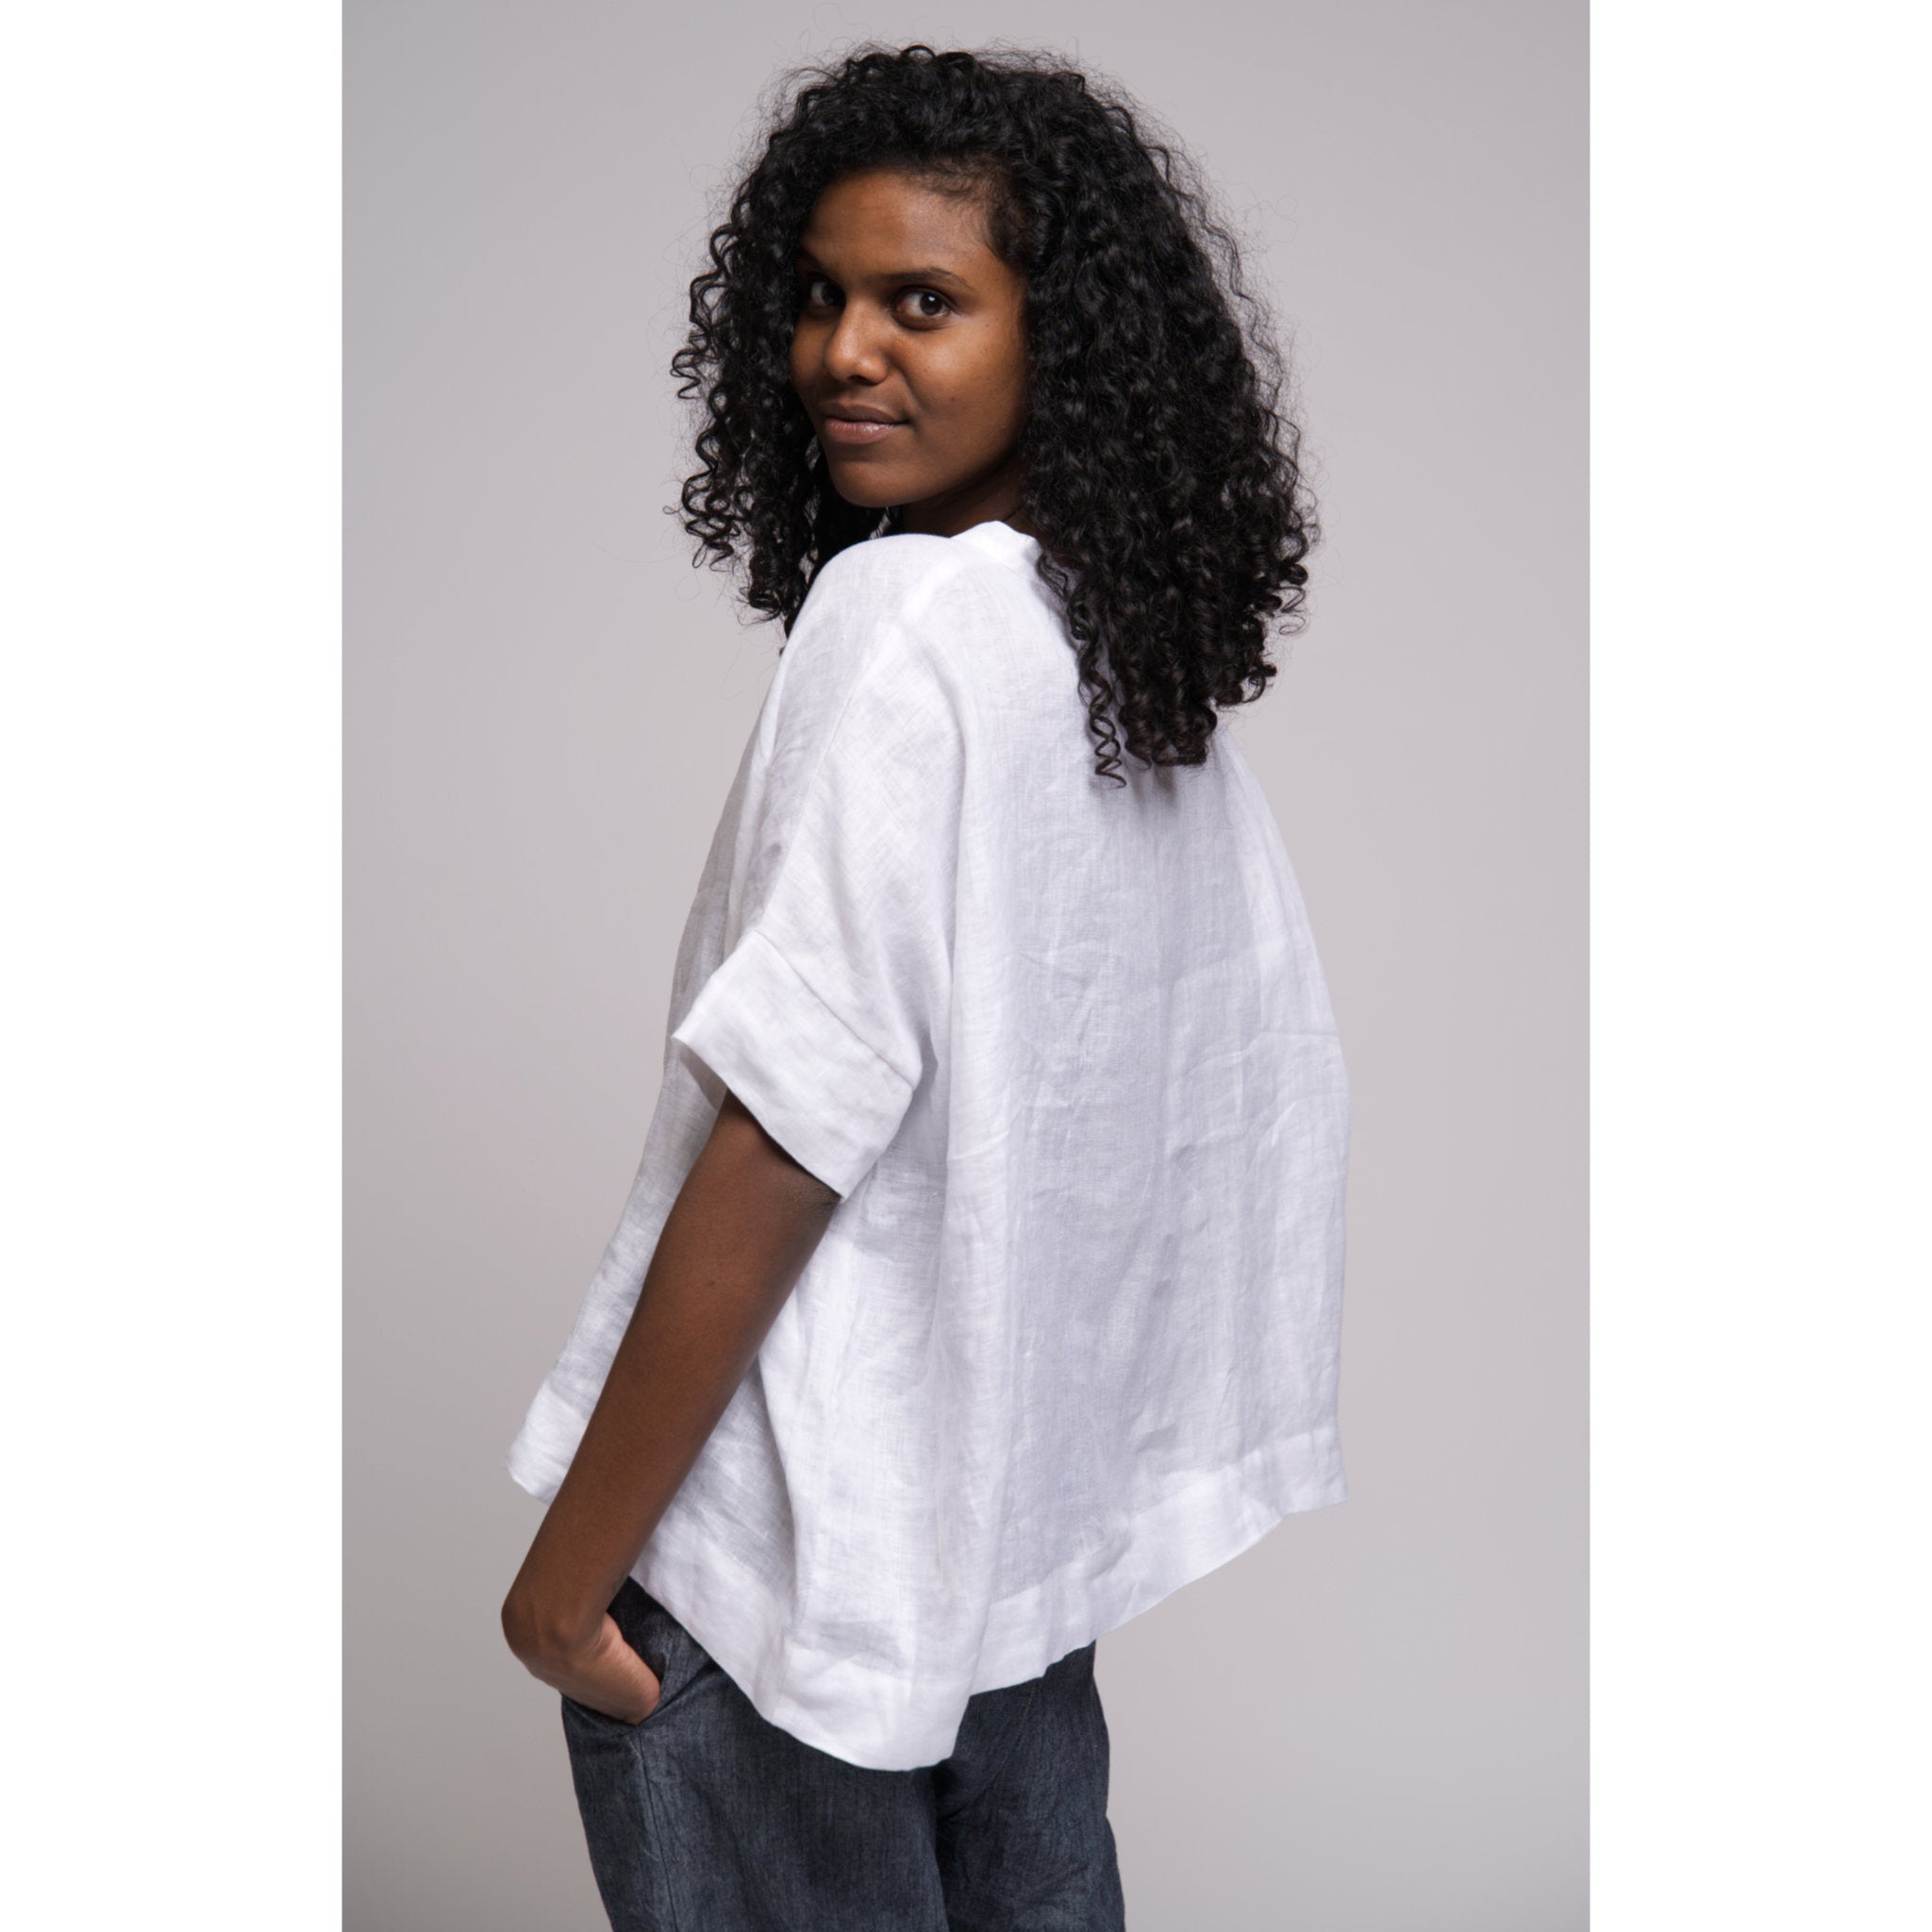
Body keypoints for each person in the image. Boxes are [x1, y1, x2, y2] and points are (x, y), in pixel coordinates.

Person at [500, 42, 1348, 1931]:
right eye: (819, 297)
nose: (843, 352)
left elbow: (791, 1125)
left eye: (923, 302)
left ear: (1067, 340)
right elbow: (1216, 1105)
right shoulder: (1113, 661)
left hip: (790, 1576)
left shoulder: (912, 615)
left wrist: (569, 1581)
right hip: (994, 1577)